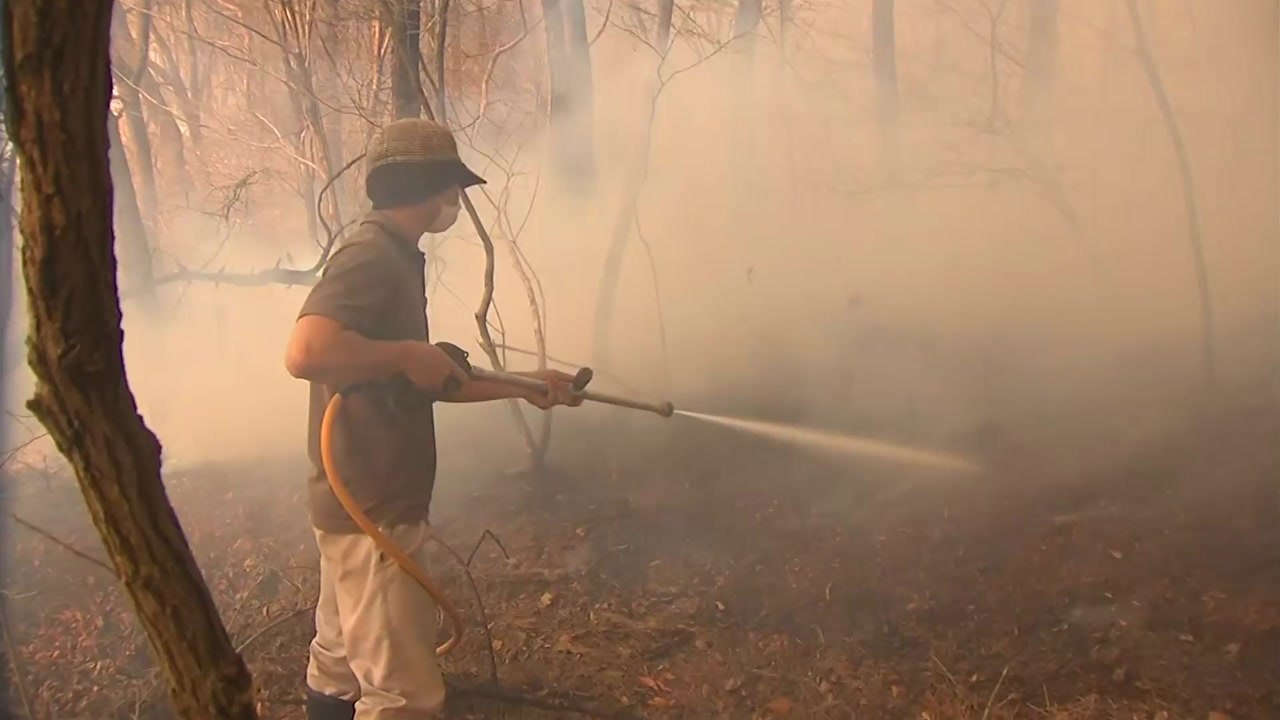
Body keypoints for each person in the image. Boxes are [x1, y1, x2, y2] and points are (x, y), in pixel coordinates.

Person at [284, 118, 582, 720]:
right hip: (376, 502)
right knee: (405, 697)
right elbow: (305, 353)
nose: (456, 201)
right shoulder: (371, 256)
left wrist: (525, 387)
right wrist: (404, 353)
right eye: (452, 187)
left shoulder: (393, 254)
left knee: (339, 663)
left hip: (358, 501)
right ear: (432, 185)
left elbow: (421, 380)